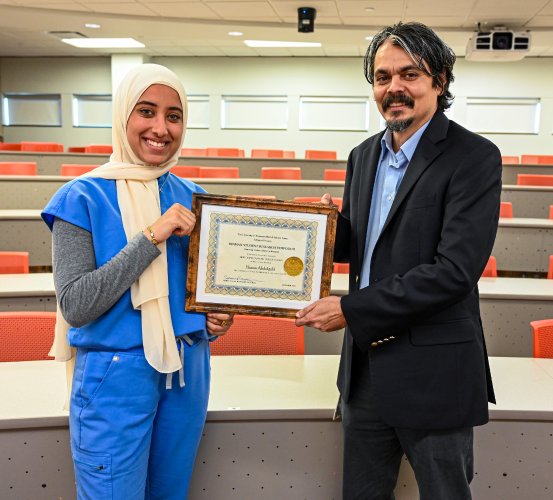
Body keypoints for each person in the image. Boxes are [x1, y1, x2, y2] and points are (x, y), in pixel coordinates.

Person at [296, 22, 501, 499]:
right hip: (365, 373)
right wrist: (326, 230)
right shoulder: (362, 156)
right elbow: (369, 244)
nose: (394, 88)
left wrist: (350, 310)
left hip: (434, 374)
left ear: (440, 81)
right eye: (383, 77)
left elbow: (454, 272)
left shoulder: (473, 157)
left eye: (410, 74)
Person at [42, 64, 233, 500]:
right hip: (115, 375)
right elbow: (77, 304)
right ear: (123, 116)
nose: (161, 128)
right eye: (146, 112)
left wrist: (213, 320)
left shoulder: (194, 195)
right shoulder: (81, 197)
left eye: (174, 115)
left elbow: (194, 296)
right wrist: (151, 236)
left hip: (188, 369)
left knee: (171, 493)